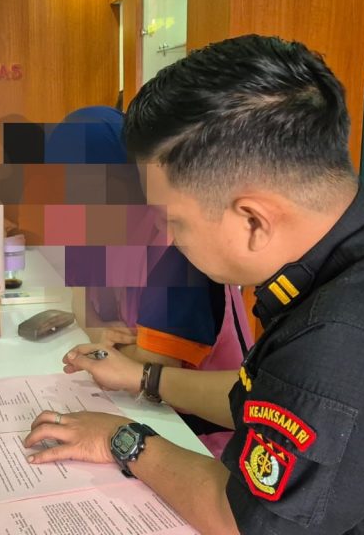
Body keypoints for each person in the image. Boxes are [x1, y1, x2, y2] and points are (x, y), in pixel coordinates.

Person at [24, 35, 364, 533]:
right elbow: (275, 397)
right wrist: (146, 379)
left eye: (173, 220)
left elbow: (238, 519)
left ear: (252, 220)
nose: (165, 236)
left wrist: (122, 439)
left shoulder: (346, 344)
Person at [47, 106, 252, 457]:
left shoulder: (177, 250)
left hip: (204, 439)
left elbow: (151, 367)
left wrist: (107, 346)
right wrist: (97, 331)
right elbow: (80, 298)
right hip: (145, 412)